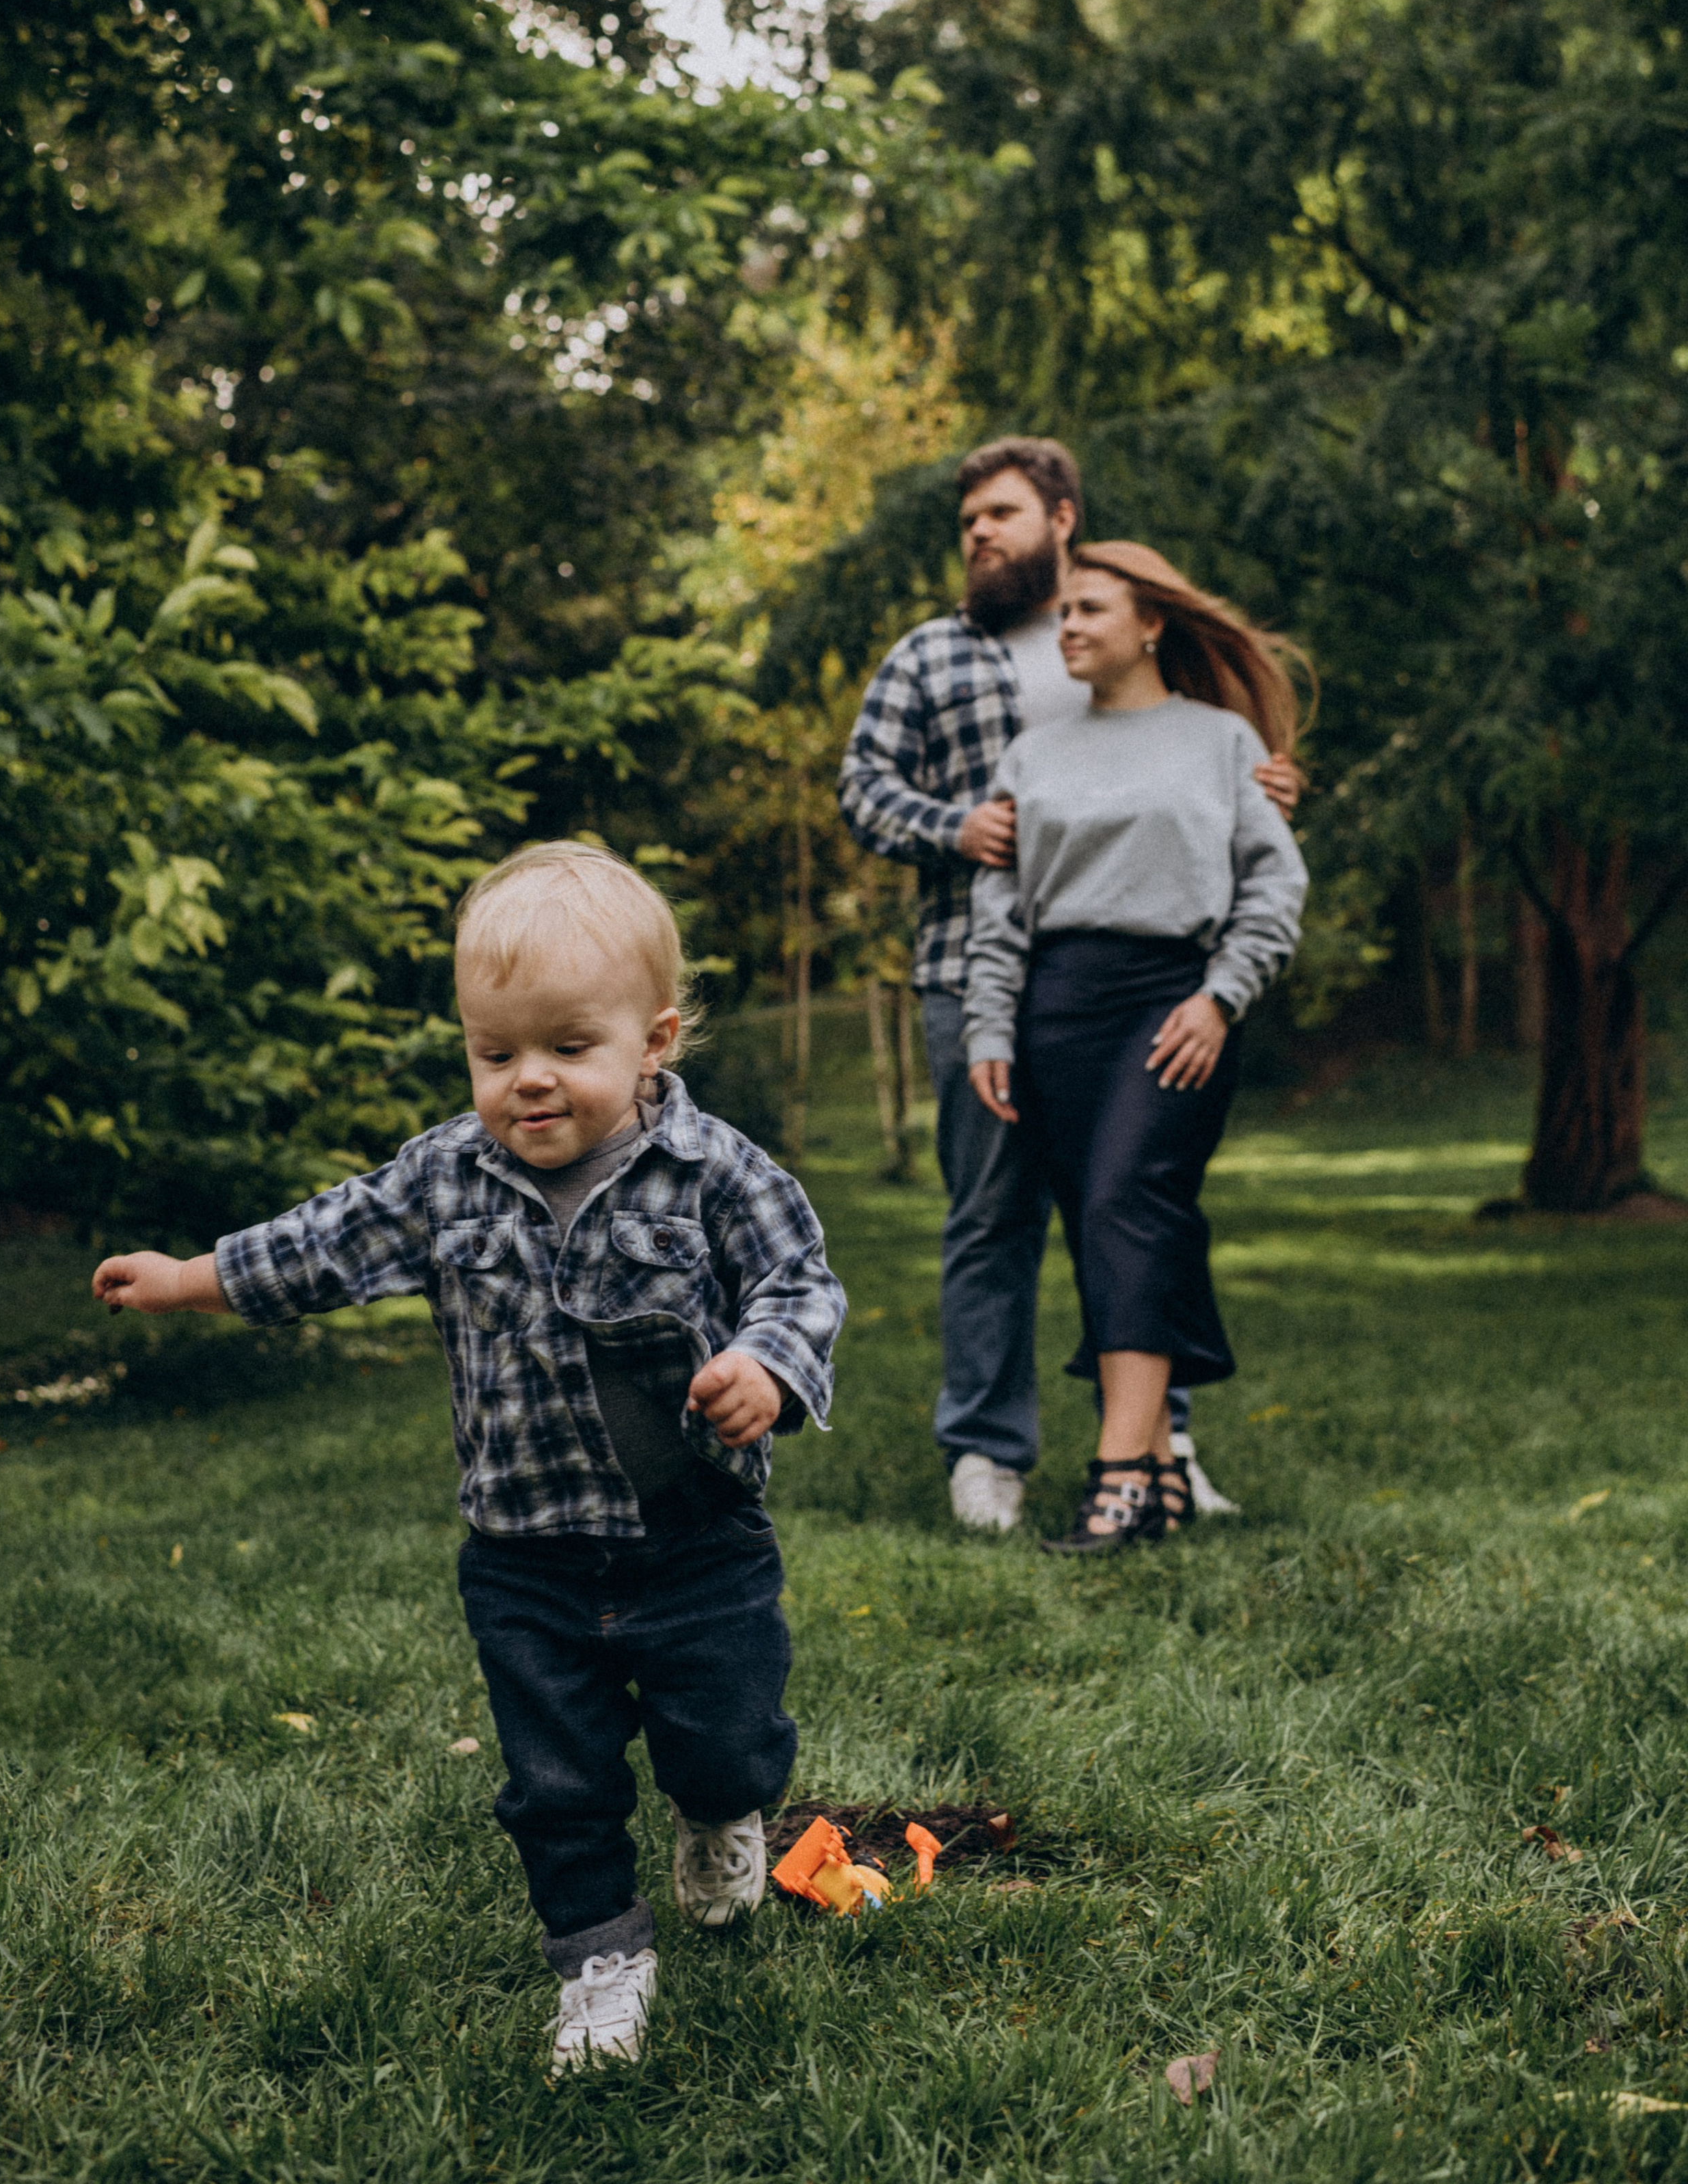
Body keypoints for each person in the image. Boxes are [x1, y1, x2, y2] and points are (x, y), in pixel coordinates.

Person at [92, 843, 846, 2073]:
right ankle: (601, 1961)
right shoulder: (448, 1176)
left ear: (653, 1041)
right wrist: (192, 1279)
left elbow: (798, 1280)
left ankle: (721, 1813)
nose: (527, 1083)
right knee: (555, 1779)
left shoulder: (716, 1175)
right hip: (526, 1558)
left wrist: (765, 1366)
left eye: (567, 1048)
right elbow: (327, 1242)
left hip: (697, 1541)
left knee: (729, 1738)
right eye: (496, 1054)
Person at [839, 439, 1297, 1533]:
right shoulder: (930, 659)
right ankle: (989, 1453)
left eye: (1000, 514)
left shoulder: (1133, 648)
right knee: (994, 1217)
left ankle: (1159, 1445)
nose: (979, 536)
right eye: (968, 523)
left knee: (1133, 1204)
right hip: (981, 980)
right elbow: (860, 791)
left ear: (1062, 519)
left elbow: (1212, 785)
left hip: (1148, 981)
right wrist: (955, 826)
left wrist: (1268, 782)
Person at [963, 543, 1309, 1552]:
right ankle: (1156, 1471)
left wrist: (1221, 998)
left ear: (1151, 623)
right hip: (1055, 1007)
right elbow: (1002, 909)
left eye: (1089, 609)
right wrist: (991, 1025)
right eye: (1062, 611)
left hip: (1172, 1002)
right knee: (1113, 1225)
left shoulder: (1221, 740)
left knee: (1126, 1200)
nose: (1066, 626)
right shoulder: (1032, 752)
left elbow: (1274, 885)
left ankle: (1117, 1478)